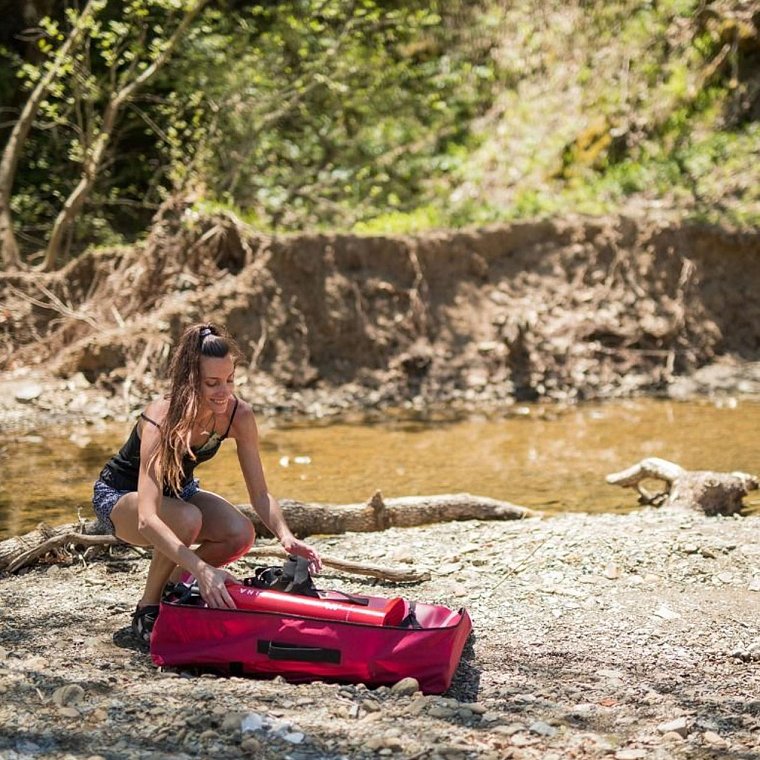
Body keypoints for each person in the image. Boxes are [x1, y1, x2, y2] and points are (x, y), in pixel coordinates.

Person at [91, 322, 322, 642]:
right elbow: (147, 518)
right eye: (212, 382)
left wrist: (286, 536)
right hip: (120, 496)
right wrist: (200, 568)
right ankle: (147, 611)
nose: (224, 391)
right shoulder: (162, 416)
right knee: (187, 520)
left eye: (229, 380)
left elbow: (260, 493)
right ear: (189, 381)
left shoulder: (238, 415)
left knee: (241, 534)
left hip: (180, 494)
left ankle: (172, 590)